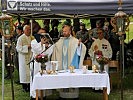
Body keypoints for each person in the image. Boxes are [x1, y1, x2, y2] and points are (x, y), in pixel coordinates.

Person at [51, 21, 86, 99]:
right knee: (62, 79)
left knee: (71, 79)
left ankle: (73, 95)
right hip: (62, 65)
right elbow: (55, 48)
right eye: (63, 31)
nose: (64, 33)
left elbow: (82, 48)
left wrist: (79, 46)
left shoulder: (74, 40)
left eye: (65, 31)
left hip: (71, 65)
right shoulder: (60, 41)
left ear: (70, 31)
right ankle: (62, 95)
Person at [30, 29, 54, 99]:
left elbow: (48, 53)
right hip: (37, 64)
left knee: (45, 80)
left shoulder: (49, 43)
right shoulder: (33, 42)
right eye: (41, 34)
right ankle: (35, 95)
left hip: (46, 64)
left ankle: (44, 95)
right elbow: (36, 50)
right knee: (36, 79)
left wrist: (46, 46)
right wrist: (41, 44)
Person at [16, 25, 33, 92]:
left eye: (30, 29)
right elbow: (18, 48)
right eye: (27, 29)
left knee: (30, 72)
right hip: (23, 58)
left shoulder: (32, 37)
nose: (29, 31)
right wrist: (27, 47)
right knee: (24, 72)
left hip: (30, 57)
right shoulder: (21, 38)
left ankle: (29, 86)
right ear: (24, 30)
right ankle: (24, 87)